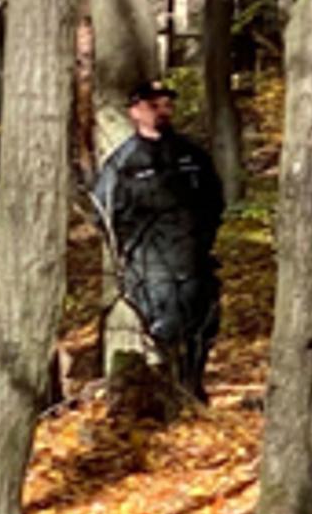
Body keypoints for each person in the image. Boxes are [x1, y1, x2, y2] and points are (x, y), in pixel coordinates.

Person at [92, 80, 226, 402]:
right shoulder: (122, 164)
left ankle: (192, 391)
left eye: (167, 104)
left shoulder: (192, 154)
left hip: (193, 259)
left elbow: (214, 202)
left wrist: (202, 238)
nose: (162, 111)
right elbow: (104, 214)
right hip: (150, 266)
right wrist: (133, 248)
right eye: (154, 105)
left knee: (202, 327)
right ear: (135, 111)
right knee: (164, 332)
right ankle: (171, 397)